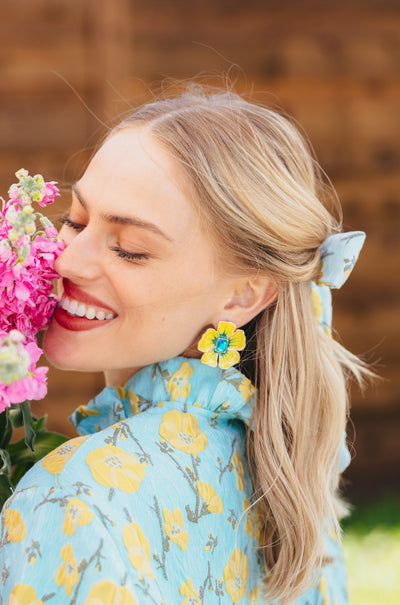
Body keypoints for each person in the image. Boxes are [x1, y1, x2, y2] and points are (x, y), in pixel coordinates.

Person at [0, 88, 369, 605]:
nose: (67, 262)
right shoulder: (290, 477)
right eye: (76, 220)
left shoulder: (72, 500)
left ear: (245, 294)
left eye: (130, 250)